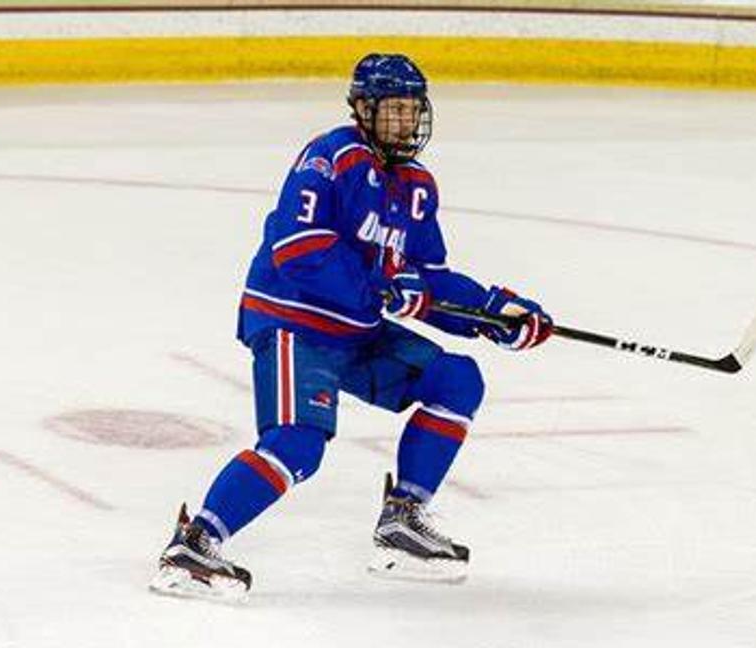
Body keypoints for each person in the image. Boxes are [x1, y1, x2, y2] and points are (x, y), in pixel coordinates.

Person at [150, 53, 552, 599]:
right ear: (363, 108)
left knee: (457, 380)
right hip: (294, 320)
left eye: (413, 111)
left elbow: (429, 280)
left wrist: (496, 312)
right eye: (394, 110)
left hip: (357, 331)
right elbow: (298, 246)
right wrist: (379, 289)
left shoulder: (417, 187)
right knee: (297, 444)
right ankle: (195, 543)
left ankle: (403, 520)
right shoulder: (329, 157)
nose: (406, 123)